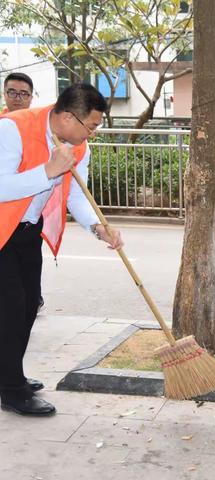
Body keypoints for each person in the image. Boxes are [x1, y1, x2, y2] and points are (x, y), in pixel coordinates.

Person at [0, 83, 123, 416]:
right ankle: (12, 390)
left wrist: (97, 226)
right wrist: (48, 170)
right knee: (11, 309)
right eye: (92, 126)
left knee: (28, 307)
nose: (93, 134)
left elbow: (76, 194)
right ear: (68, 117)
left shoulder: (78, 146)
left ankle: (9, 374)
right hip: (1, 233)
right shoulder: (13, 128)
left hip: (27, 232)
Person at [1, 72, 46, 311]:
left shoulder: (39, 129)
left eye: (23, 93)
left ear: (31, 97)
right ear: (4, 94)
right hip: (4, 214)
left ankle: (33, 298)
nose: (18, 98)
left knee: (29, 269)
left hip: (29, 216)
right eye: (13, 92)